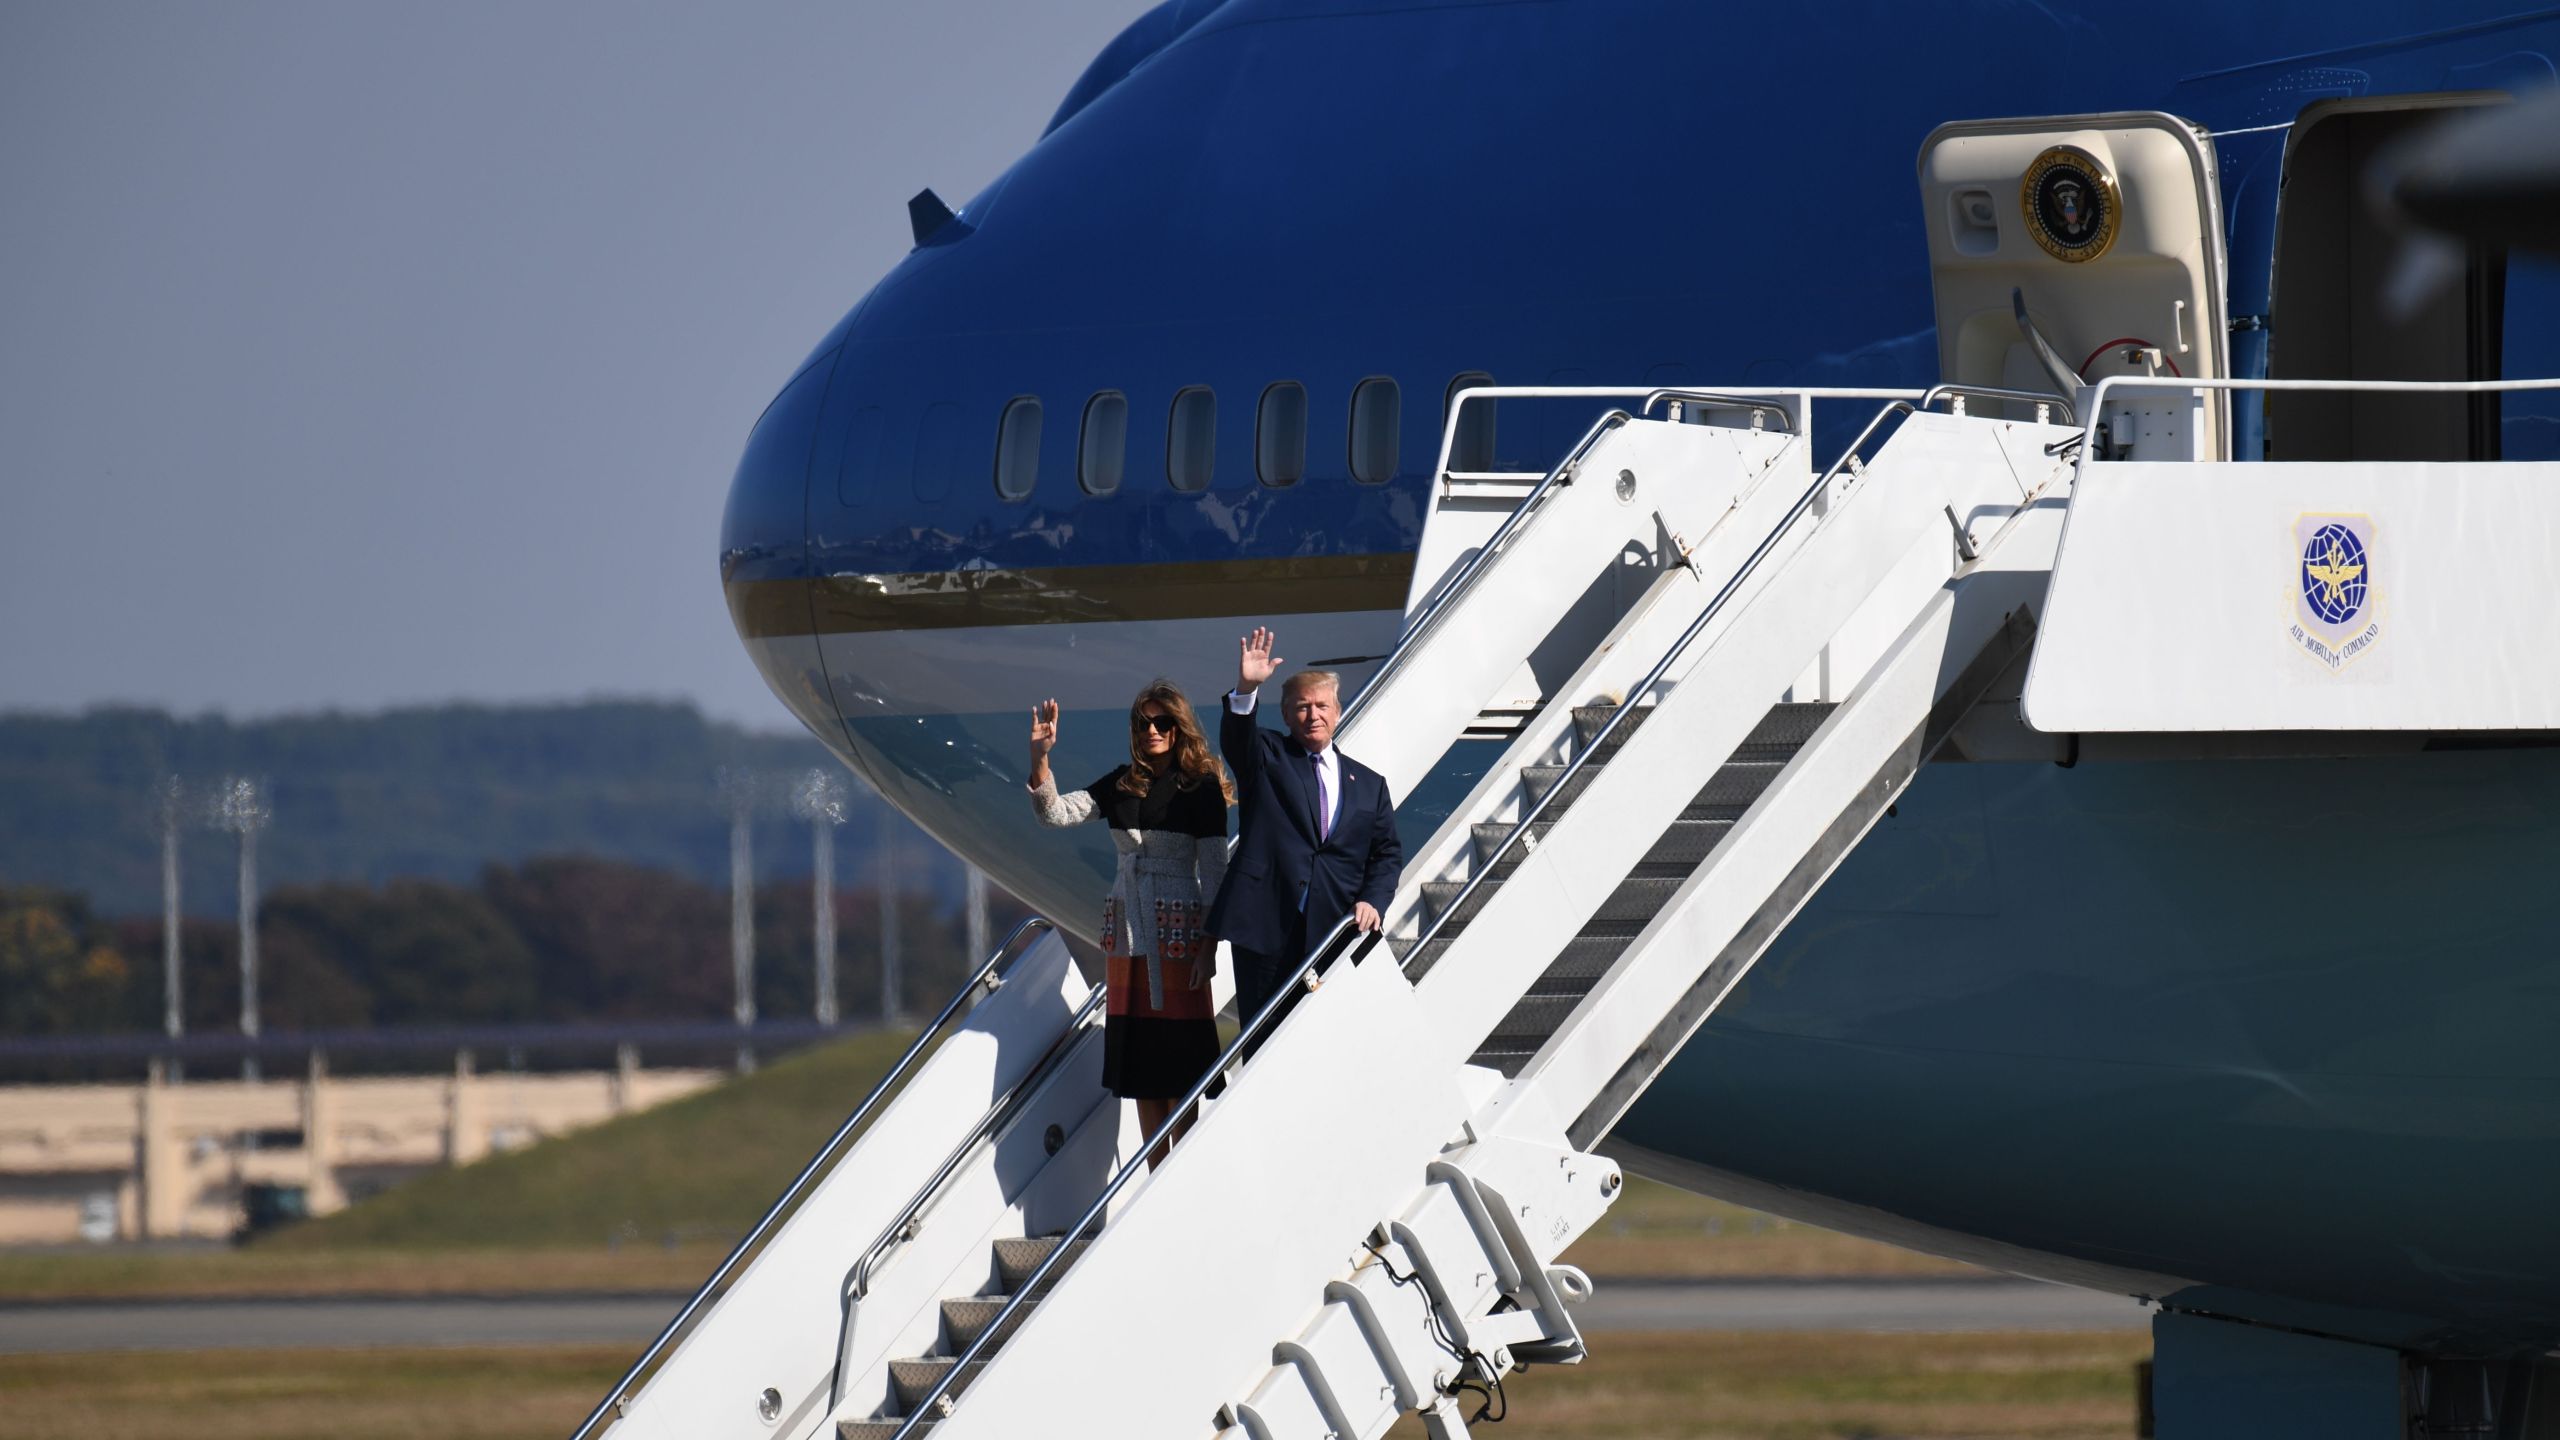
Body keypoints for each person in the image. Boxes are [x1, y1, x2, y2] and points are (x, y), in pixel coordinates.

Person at [1027, 682, 1231, 1167]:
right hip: (1128, 936)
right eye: (1144, 724)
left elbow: (1218, 871)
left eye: (1163, 723)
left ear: (1179, 728)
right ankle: (1155, 1175)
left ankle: (1186, 1173)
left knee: (1180, 1065)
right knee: (1140, 1064)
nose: (1153, 731)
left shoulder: (1201, 787)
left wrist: (1209, 945)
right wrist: (1040, 759)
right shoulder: (1121, 783)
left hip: (1178, 935)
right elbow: (1055, 813)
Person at [1206, 626, 1403, 1057]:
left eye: (1321, 705)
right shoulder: (1269, 755)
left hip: (1330, 930)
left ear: (1337, 710)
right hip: (1266, 924)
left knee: (1325, 1042)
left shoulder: (1369, 785)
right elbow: (1238, 741)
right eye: (1302, 707)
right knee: (1263, 1043)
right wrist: (1245, 688)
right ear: (1286, 715)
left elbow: (1386, 853)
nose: (1313, 714)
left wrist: (1373, 899)